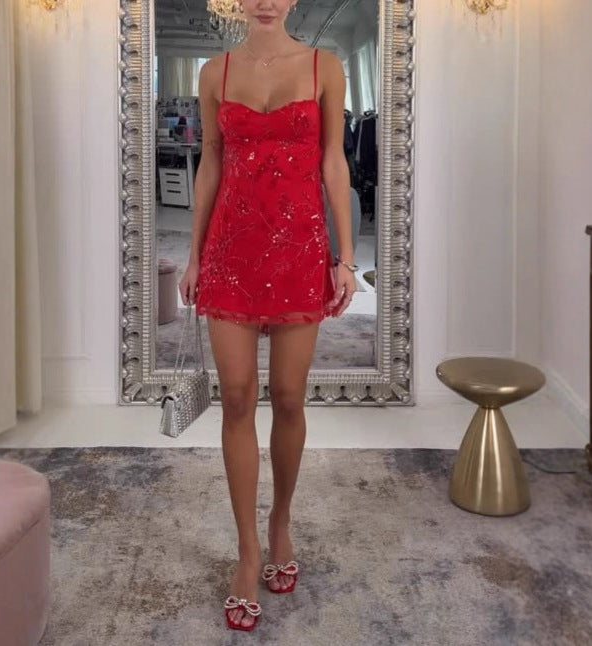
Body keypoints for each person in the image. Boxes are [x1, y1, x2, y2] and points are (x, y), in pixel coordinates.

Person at [178, 0, 357, 632]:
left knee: (287, 397)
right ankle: (248, 551)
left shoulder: (325, 66)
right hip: (231, 253)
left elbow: (334, 162)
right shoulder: (215, 72)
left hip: (300, 251)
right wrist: (194, 255)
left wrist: (346, 258)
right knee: (235, 399)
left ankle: (281, 522)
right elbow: (211, 164)